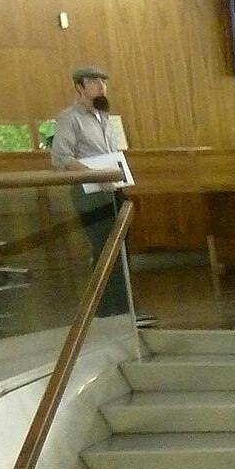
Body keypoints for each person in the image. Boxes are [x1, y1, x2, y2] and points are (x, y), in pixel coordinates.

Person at [50, 65, 150, 325]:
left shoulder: (104, 117)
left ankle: (125, 309)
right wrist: (97, 176)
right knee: (104, 249)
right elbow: (62, 159)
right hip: (89, 193)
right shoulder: (69, 118)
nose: (101, 87)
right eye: (94, 82)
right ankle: (107, 311)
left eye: (103, 82)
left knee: (120, 249)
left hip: (114, 190)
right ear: (79, 87)